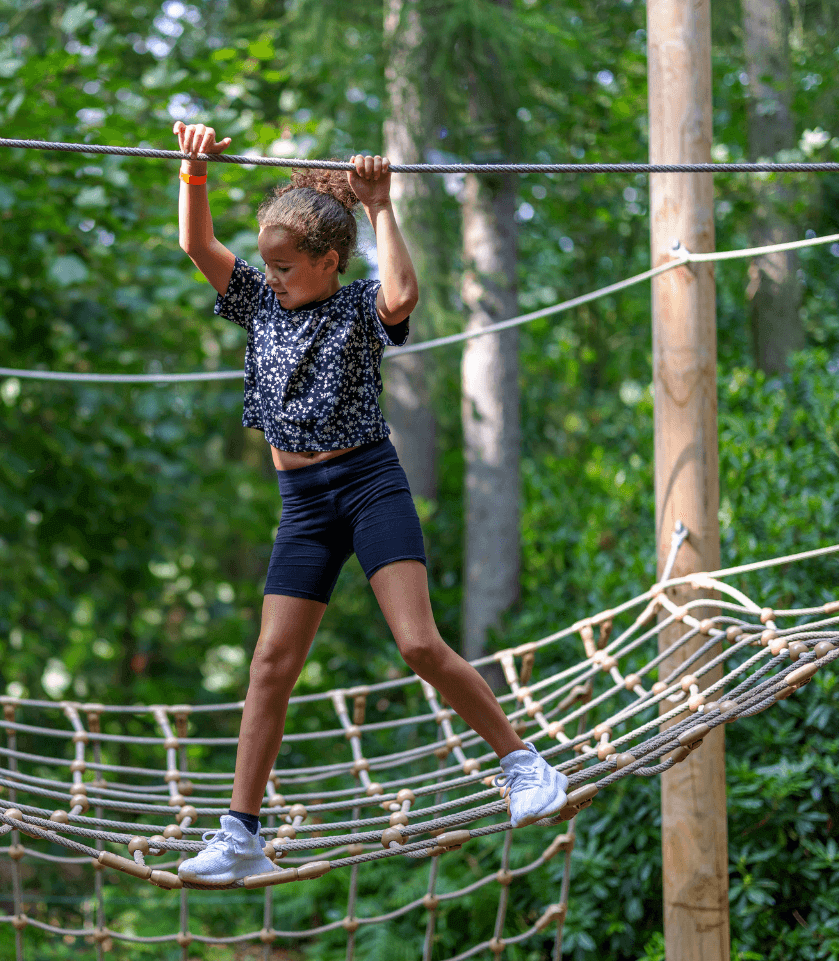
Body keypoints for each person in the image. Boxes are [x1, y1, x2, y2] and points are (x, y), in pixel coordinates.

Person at [169, 121, 567, 886]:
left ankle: (523, 764)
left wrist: (382, 204)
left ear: (327, 261)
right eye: (268, 263)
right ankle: (241, 832)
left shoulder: (357, 306)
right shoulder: (257, 301)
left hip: (369, 483)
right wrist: (193, 172)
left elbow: (403, 294)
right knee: (270, 664)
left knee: (418, 644)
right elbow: (197, 246)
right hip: (304, 503)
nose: (273, 275)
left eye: (288, 265)